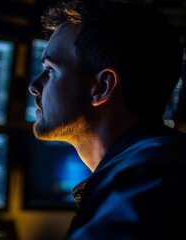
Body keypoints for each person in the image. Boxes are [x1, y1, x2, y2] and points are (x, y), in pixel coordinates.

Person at [28, 0, 186, 239]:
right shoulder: (157, 163)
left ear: (101, 87)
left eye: (50, 70)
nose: (34, 86)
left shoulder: (144, 185)